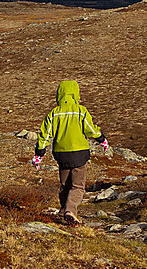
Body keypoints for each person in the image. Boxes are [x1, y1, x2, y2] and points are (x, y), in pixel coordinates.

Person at [32, 80, 108, 226]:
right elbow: (90, 130)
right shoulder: (80, 111)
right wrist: (102, 139)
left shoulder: (54, 114)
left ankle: (63, 211)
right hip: (79, 153)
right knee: (78, 186)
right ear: (75, 93)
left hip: (61, 154)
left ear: (59, 94)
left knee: (65, 185)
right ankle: (70, 211)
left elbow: (45, 135)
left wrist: (39, 154)